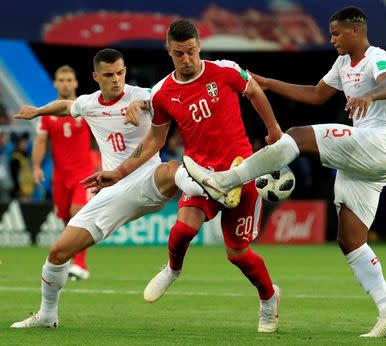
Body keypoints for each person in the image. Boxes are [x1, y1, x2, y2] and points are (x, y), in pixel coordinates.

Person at [183, 6, 386, 338]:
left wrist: (370, 94)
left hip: (380, 142)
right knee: (350, 239)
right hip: (366, 161)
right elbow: (317, 95)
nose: (331, 39)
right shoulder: (344, 63)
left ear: (356, 31)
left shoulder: (377, 57)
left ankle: (225, 179)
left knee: (299, 135)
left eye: (336, 33)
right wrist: (269, 84)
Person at [84, 20, 284, 333]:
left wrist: (274, 131)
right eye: (179, 54)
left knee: (238, 254)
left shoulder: (225, 70)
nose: (186, 59)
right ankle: (173, 269)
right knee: (181, 231)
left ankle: (269, 299)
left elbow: (255, 91)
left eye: (191, 51)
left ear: (199, 46)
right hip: (200, 175)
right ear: (169, 51)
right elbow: (154, 141)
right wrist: (118, 172)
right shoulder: (164, 92)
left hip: (241, 170)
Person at [11, 48, 204, 329]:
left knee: (172, 169)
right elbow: (66, 107)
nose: (116, 80)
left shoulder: (142, 94)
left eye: (120, 73)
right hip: (113, 192)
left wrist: (141, 106)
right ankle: (47, 315)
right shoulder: (89, 104)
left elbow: (158, 101)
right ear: (96, 76)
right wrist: (38, 111)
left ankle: (208, 188)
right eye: (109, 75)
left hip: (147, 179)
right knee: (58, 252)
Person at [33, 65, 94, 280]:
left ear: (76, 83)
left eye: (69, 79)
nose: (66, 83)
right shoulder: (47, 113)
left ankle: (80, 265)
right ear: (55, 83)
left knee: (78, 214)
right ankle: (69, 260)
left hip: (83, 174)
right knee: (65, 220)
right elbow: (40, 140)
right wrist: (37, 167)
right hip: (59, 177)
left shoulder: (85, 107)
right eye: (62, 80)